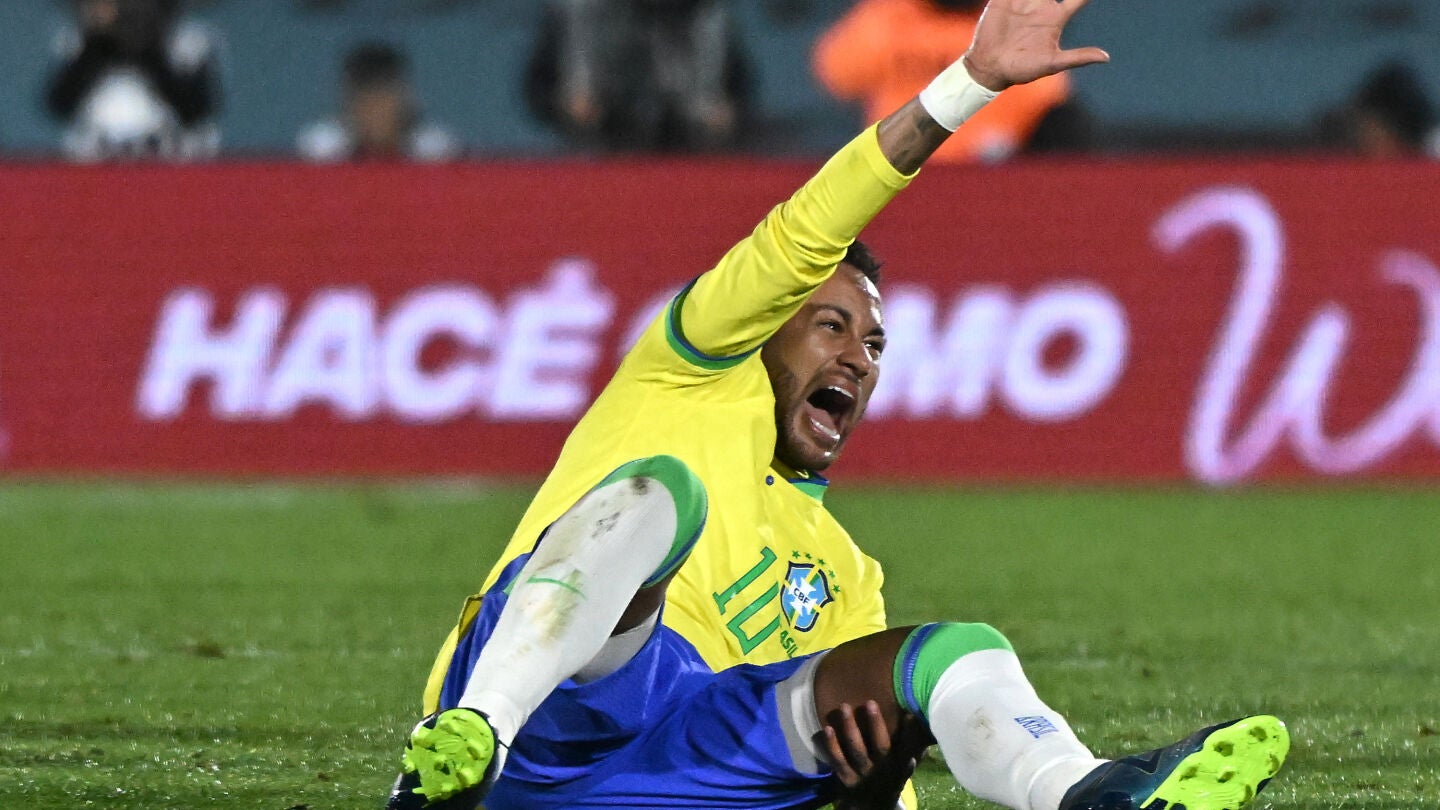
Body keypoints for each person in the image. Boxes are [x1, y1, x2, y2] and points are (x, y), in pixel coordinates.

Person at [387, 1, 1290, 809]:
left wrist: (873, 791)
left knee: (950, 653)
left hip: (679, 774)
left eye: (875, 345)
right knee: (660, 493)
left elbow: (869, 775)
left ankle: (1087, 794)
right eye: (831, 326)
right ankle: (470, 738)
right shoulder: (685, 376)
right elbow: (809, 226)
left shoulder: (847, 575)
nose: (858, 358)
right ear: (763, 324)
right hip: (549, 716)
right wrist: (970, 84)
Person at [811, 0, 1069, 163]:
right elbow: (837, 73)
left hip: (988, 172)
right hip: (896, 168)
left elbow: (1046, 97)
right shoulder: (887, 17)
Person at [524, 0, 751, 152]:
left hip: (681, 140)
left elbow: (734, 92)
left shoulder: (707, 14)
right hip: (603, 135)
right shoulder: (583, 10)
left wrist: (720, 108)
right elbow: (543, 86)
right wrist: (571, 99)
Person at [45, 0, 220, 161]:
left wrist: (144, 46)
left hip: (168, 161)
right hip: (96, 162)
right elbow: (61, 103)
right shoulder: (78, 42)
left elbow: (194, 110)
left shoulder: (189, 41)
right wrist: (101, 42)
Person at [296, 42, 459, 163]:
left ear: (406, 99)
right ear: (347, 102)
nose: (375, 109)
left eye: (384, 97)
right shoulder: (322, 153)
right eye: (365, 98)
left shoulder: (435, 154)